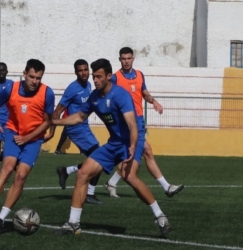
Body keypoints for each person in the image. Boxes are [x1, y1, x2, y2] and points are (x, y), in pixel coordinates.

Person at [53, 59, 170, 236]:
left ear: (109, 76)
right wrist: (54, 120)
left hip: (132, 140)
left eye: (99, 76)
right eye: (94, 76)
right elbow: (78, 117)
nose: (95, 80)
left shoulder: (120, 95)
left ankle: (160, 216)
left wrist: (131, 146)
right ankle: (73, 223)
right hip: (114, 143)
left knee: (129, 176)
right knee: (83, 173)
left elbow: (132, 125)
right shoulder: (94, 97)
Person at [0, 59, 55, 236]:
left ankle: (1, 219)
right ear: (24, 74)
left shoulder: (47, 93)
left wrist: (29, 137)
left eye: (38, 77)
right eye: (31, 76)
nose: (34, 81)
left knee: (20, 176)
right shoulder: (10, 88)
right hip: (13, 134)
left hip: (33, 139)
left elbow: (47, 121)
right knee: (6, 169)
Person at [105, 47, 184, 198]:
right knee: (144, 151)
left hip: (139, 120)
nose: (126, 61)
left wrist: (154, 102)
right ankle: (167, 187)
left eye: (129, 58)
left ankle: (111, 182)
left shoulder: (140, 75)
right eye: (123, 58)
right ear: (119, 60)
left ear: (133, 58)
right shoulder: (115, 78)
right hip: (126, 123)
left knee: (139, 152)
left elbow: (144, 93)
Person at [45, 59, 103, 205]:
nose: (84, 73)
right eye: (80, 70)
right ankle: (89, 193)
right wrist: (51, 132)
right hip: (75, 129)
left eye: (85, 70)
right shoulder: (72, 89)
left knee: (98, 159)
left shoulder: (90, 85)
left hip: (85, 127)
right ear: (75, 72)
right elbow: (57, 111)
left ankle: (66, 171)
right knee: (100, 157)